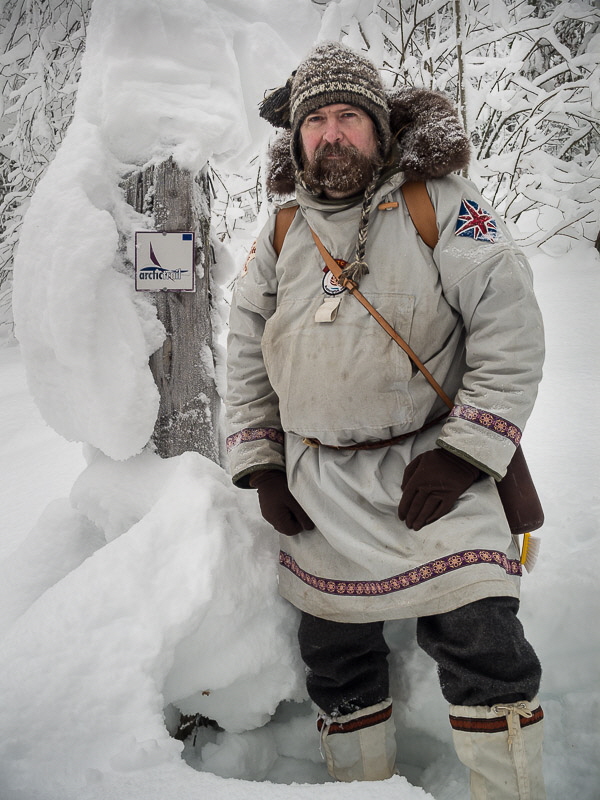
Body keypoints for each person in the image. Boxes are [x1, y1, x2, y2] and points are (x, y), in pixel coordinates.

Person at [225, 41, 546, 799]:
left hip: (435, 471)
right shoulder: (279, 234)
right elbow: (244, 351)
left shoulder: (442, 205)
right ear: (297, 137)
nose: (331, 135)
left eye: (348, 118)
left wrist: (467, 455)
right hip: (319, 489)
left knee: (483, 639)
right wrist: (262, 464)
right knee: (336, 657)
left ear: (380, 128)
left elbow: (511, 327)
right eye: (316, 122)